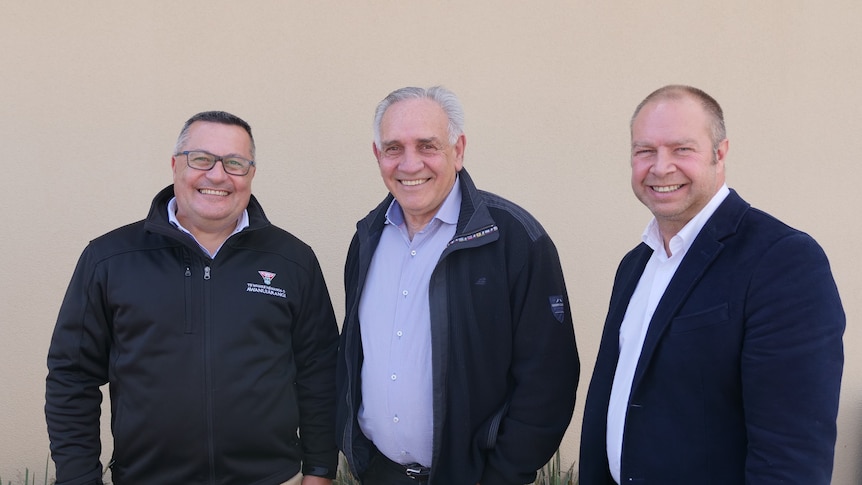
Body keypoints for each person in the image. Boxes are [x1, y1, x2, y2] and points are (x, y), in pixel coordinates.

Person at [46, 111, 339, 485]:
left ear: (251, 174)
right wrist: (77, 478)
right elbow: (71, 377)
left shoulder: (293, 260)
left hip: (270, 478)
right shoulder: (109, 259)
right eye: (201, 159)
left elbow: (320, 371)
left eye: (235, 163)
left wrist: (319, 470)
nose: (217, 175)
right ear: (174, 165)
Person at [579, 85, 845, 484]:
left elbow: (792, 454)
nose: (661, 166)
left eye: (681, 149)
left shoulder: (782, 261)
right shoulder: (636, 264)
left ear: (720, 154)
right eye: (644, 151)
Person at [336, 86, 579, 485]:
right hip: (380, 474)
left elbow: (548, 378)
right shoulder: (367, 239)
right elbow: (353, 353)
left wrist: (502, 474)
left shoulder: (514, 239)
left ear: (458, 149)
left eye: (427, 145)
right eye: (394, 148)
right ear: (378, 156)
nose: (410, 164)